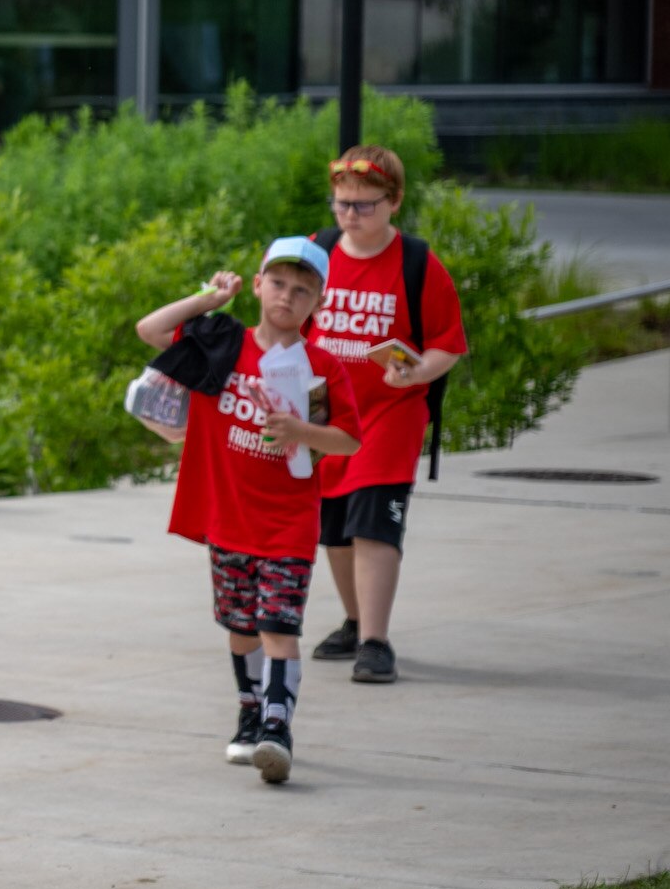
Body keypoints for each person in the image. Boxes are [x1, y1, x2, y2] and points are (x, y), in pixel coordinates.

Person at [137, 240, 363, 785]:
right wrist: (207, 299)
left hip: (287, 520)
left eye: (302, 290)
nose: (288, 296)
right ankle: (250, 713)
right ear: (259, 284)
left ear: (318, 302)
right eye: (278, 284)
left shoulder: (318, 369)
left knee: (278, 626)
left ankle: (278, 729)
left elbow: (347, 440)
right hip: (228, 515)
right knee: (240, 627)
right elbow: (150, 329)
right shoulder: (220, 343)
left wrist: (302, 431)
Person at [308, 145, 467, 685]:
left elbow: (448, 343)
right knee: (334, 526)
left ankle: (376, 642)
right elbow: (286, 309)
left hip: (391, 413)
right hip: (327, 413)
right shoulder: (317, 252)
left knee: (374, 521)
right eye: (341, 204)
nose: (350, 216)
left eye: (364, 205)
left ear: (394, 201)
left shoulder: (419, 264)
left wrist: (419, 372)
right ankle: (354, 621)